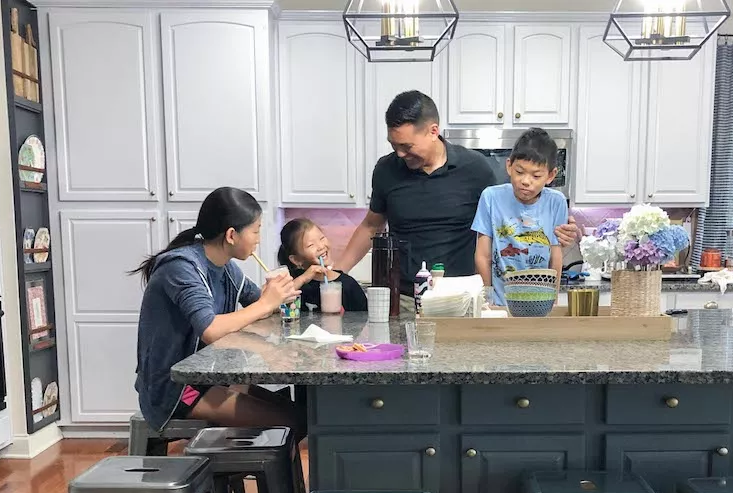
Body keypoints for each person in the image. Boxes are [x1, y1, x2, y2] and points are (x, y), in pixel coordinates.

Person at [334, 90, 581, 311]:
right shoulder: (386, 169)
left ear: (433, 131)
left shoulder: (475, 168)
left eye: (407, 146)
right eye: (394, 145)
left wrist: (564, 231)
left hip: (462, 300)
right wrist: (336, 273)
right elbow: (371, 226)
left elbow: (511, 215)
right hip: (405, 300)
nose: (400, 153)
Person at [132, 186, 305, 437]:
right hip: (176, 389)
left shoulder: (226, 268)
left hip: (208, 379)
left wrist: (276, 297)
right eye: (256, 231)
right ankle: (234, 472)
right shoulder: (183, 267)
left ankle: (255, 471)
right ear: (232, 235)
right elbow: (210, 329)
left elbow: (258, 303)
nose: (258, 239)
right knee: (293, 423)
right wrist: (266, 304)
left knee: (300, 414)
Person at [472, 128, 568, 306]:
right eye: (520, 172)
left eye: (536, 175)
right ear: (509, 166)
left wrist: (552, 301)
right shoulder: (491, 197)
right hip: (500, 302)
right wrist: (487, 299)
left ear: (551, 175)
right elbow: (482, 255)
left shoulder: (557, 202)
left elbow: (555, 256)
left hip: (540, 303)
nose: (525, 181)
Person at [278, 218, 368, 312]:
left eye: (322, 238)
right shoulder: (291, 283)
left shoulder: (347, 285)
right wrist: (303, 279)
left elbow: (365, 320)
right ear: (296, 259)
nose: (321, 247)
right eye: (311, 245)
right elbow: (272, 303)